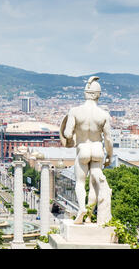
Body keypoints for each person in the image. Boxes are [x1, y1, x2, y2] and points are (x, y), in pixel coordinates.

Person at [61, 76, 113, 224]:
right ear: (98, 95)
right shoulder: (103, 114)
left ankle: (82, 208)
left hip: (83, 149)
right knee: (94, 185)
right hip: (98, 149)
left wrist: (68, 137)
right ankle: (90, 216)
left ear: (85, 93)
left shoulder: (75, 111)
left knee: (80, 182)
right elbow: (108, 139)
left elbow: (67, 133)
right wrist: (109, 156)